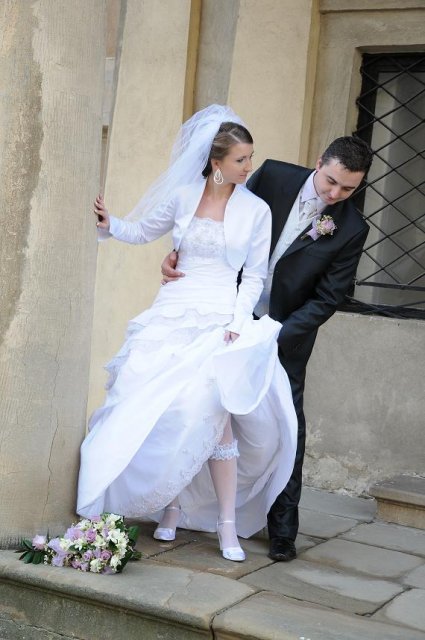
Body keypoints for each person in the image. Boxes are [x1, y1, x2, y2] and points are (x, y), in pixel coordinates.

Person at [77, 105, 298, 563]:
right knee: (166, 413)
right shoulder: (182, 196)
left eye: (250, 157)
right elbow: (142, 231)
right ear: (216, 162)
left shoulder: (256, 210)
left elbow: (255, 277)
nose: (249, 166)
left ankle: (227, 524)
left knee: (214, 418)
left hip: (220, 318)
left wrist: (236, 323)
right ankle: (171, 508)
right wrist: (109, 223)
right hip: (171, 313)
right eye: (240, 159)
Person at [161, 135, 374, 562]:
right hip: (224, 311)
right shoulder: (273, 175)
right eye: (331, 181)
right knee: (197, 401)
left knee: (287, 424)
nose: (335, 194)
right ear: (319, 162)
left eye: (348, 189)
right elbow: (220, 213)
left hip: (285, 334)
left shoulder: (352, 228)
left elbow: (328, 298)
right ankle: (174, 501)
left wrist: (273, 335)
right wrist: (178, 254)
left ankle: (282, 529)